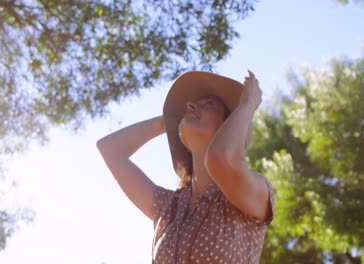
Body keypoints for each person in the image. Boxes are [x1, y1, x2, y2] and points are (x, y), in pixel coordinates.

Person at [97, 70, 275, 264]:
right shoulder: (168, 207)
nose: (190, 106)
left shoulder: (250, 194)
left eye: (209, 104)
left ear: (227, 125)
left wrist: (248, 104)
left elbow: (221, 158)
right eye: (190, 106)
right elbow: (109, 149)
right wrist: (168, 120)